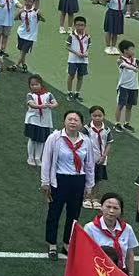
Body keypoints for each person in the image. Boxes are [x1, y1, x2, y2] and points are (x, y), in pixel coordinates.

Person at [41, 109, 95, 259]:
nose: (72, 122)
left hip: (78, 180)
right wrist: (45, 182)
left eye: (76, 120)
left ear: (81, 124)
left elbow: (89, 164)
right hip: (59, 180)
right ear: (64, 121)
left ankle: (67, 243)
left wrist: (89, 185)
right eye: (70, 119)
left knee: (74, 214)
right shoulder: (55, 138)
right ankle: (52, 243)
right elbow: (47, 160)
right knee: (54, 213)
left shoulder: (86, 141)